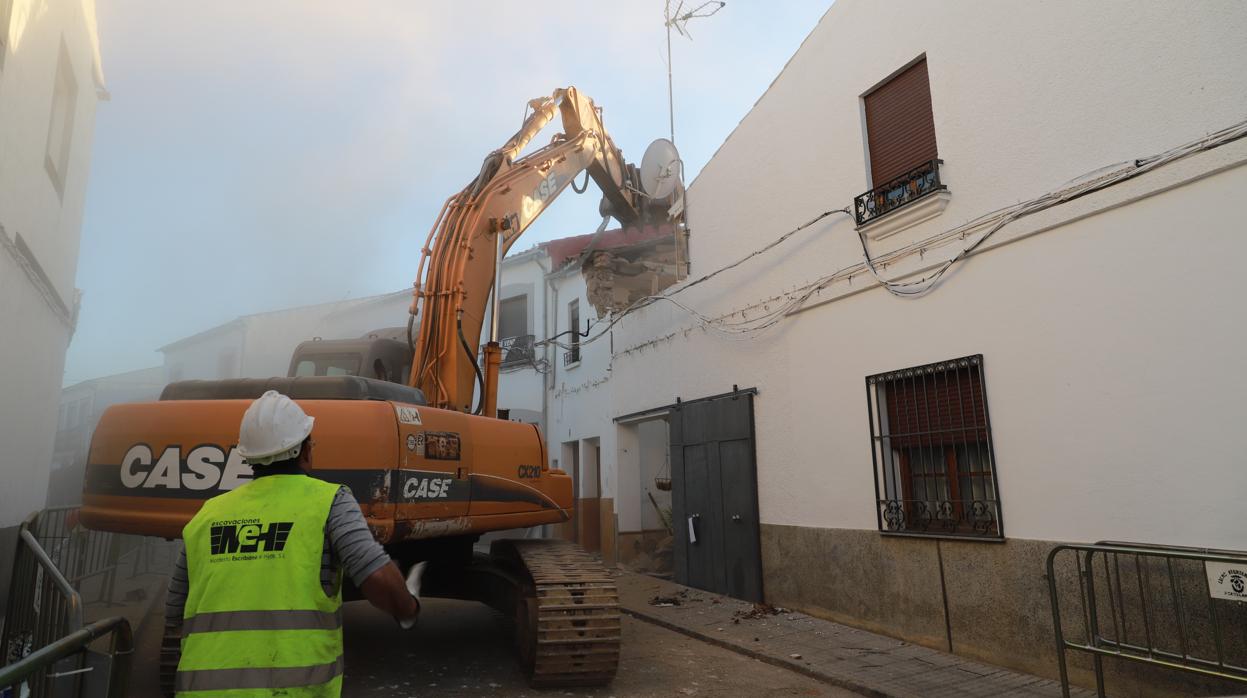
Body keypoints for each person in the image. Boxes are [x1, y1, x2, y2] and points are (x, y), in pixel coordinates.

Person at [166, 390, 420, 696]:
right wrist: (408, 608)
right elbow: (376, 576)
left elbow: (175, 614)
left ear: (249, 457)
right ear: (305, 451)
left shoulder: (207, 514)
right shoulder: (329, 502)